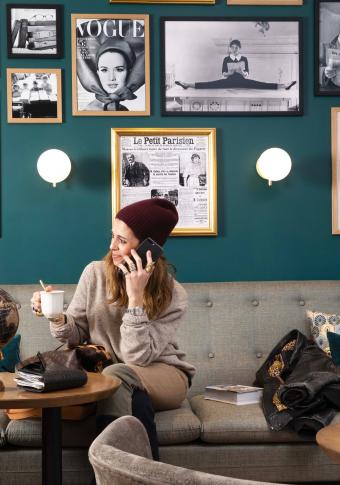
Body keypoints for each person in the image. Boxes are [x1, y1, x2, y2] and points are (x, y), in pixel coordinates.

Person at [30, 198, 195, 469]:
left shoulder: (174, 294)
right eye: (112, 236)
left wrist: (135, 298)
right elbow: (76, 334)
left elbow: (136, 357)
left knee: (117, 375)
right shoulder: (94, 273)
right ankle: (140, 475)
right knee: (131, 397)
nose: (111, 247)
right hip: (112, 376)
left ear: (147, 248)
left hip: (162, 374)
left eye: (121, 240)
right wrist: (57, 316)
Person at [175, 39, 297, 91]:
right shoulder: (226, 59)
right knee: (210, 84)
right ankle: (187, 84)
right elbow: (223, 74)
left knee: (260, 84)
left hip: (242, 81)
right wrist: (231, 72)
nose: (234, 49)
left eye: (236, 47)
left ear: (239, 48)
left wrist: (241, 72)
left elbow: (246, 74)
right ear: (230, 48)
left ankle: (284, 85)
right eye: (232, 47)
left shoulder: (244, 58)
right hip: (229, 81)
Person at [85, 38, 138, 111]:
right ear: (98, 73)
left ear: (129, 72)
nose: (111, 78)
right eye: (104, 70)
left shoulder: (124, 110)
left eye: (119, 70)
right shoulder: (89, 111)